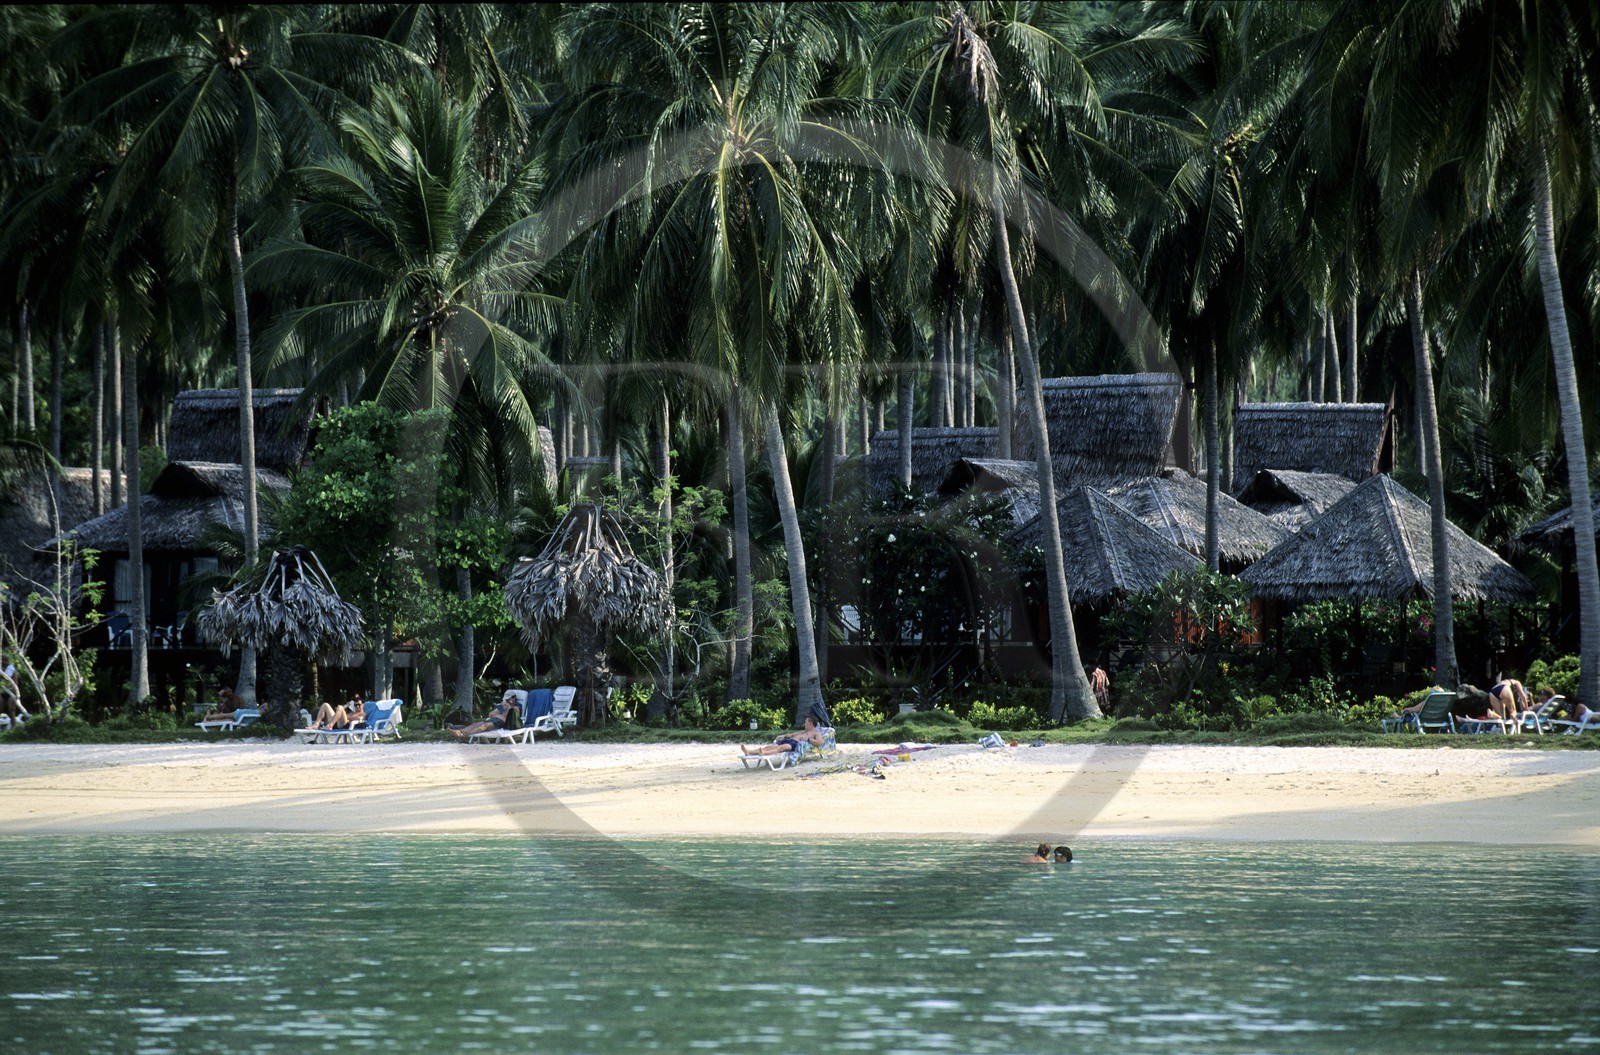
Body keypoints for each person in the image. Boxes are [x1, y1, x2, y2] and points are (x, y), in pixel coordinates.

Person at [741, 715, 826, 756]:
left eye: (806, 722)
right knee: (771, 746)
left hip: (794, 744)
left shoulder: (816, 733)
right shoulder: (804, 731)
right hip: (789, 741)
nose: (804, 724)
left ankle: (764, 753)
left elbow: (819, 742)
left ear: (810, 723)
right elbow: (792, 734)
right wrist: (784, 735)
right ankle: (749, 752)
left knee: (782, 747)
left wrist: (808, 740)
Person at [450, 692, 519, 740]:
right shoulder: (503, 706)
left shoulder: (516, 707)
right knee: (475, 724)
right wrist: (499, 709)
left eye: (509, 699)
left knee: (484, 726)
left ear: (514, 698)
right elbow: (490, 715)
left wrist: (508, 707)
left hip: (501, 722)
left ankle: (465, 734)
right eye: (507, 699)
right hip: (493, 720)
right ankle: (459, 732)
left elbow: (511, 717)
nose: (507, 700)